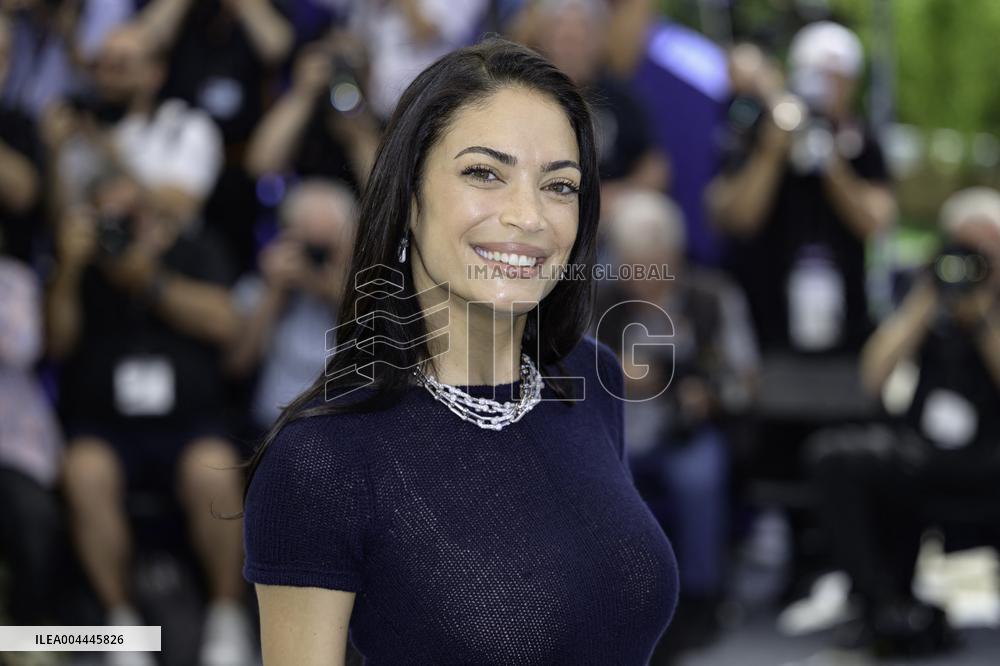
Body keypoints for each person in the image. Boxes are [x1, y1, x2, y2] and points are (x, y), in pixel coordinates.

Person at [240, 37, 678, 664]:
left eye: (559, 185)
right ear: (409, 198)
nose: (528, 216)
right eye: (484, 173)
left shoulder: (591, 378)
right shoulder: (324, 458)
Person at [46, 168, 250, 666]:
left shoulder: (192, 250)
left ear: (153, 214)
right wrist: (70, 268)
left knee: (214, 469)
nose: (122, 229)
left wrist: (150, 279)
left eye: (132, 216)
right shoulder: (82, 267)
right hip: (106, 428)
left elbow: (225, 322)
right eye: (111, 219)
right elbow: (57, 344)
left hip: (189, 424)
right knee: (84, 469)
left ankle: (227, 621)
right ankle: (120, 630)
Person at [810, 187, 1000, 657]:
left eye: (986, 247)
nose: (973, 259)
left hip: (991, 463)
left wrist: (982, 321)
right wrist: (924, 302)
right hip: (923, 453)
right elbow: (872, 375)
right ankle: (883, 603)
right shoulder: (927, 294)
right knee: (836, 458)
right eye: (963, 245)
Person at [595, 188, 758, 652]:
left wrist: (702, 392)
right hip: (615, 432)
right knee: (597, 475)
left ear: (672, 254)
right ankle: (611, 597)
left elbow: (745, 379)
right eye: (630, 262)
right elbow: (568, 371)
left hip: (686, 431)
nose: (640, 276)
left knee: (698, 477)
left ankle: (700, 598)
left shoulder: (712, 296)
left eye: (650, 261)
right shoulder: (597, 300)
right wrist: (615, 375)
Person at [708, 21, 895, 355]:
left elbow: (876, 221)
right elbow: (735, 218)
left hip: (845, 329)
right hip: (766, 328)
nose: (826, 88)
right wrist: (772, 151)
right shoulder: (757, 132)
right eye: (817, 75)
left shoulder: (863, 144)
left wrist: (831, 162)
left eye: (838, 77)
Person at [226, 178, 357, 433]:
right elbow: (237, 364)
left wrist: (326, 288)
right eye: (310, 246)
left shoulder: (372, 290)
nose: (315, 259)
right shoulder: (263, 286)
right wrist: (273, 292)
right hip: (273, 428)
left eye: (327, 247)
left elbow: (380, 343)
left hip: (345, 427)